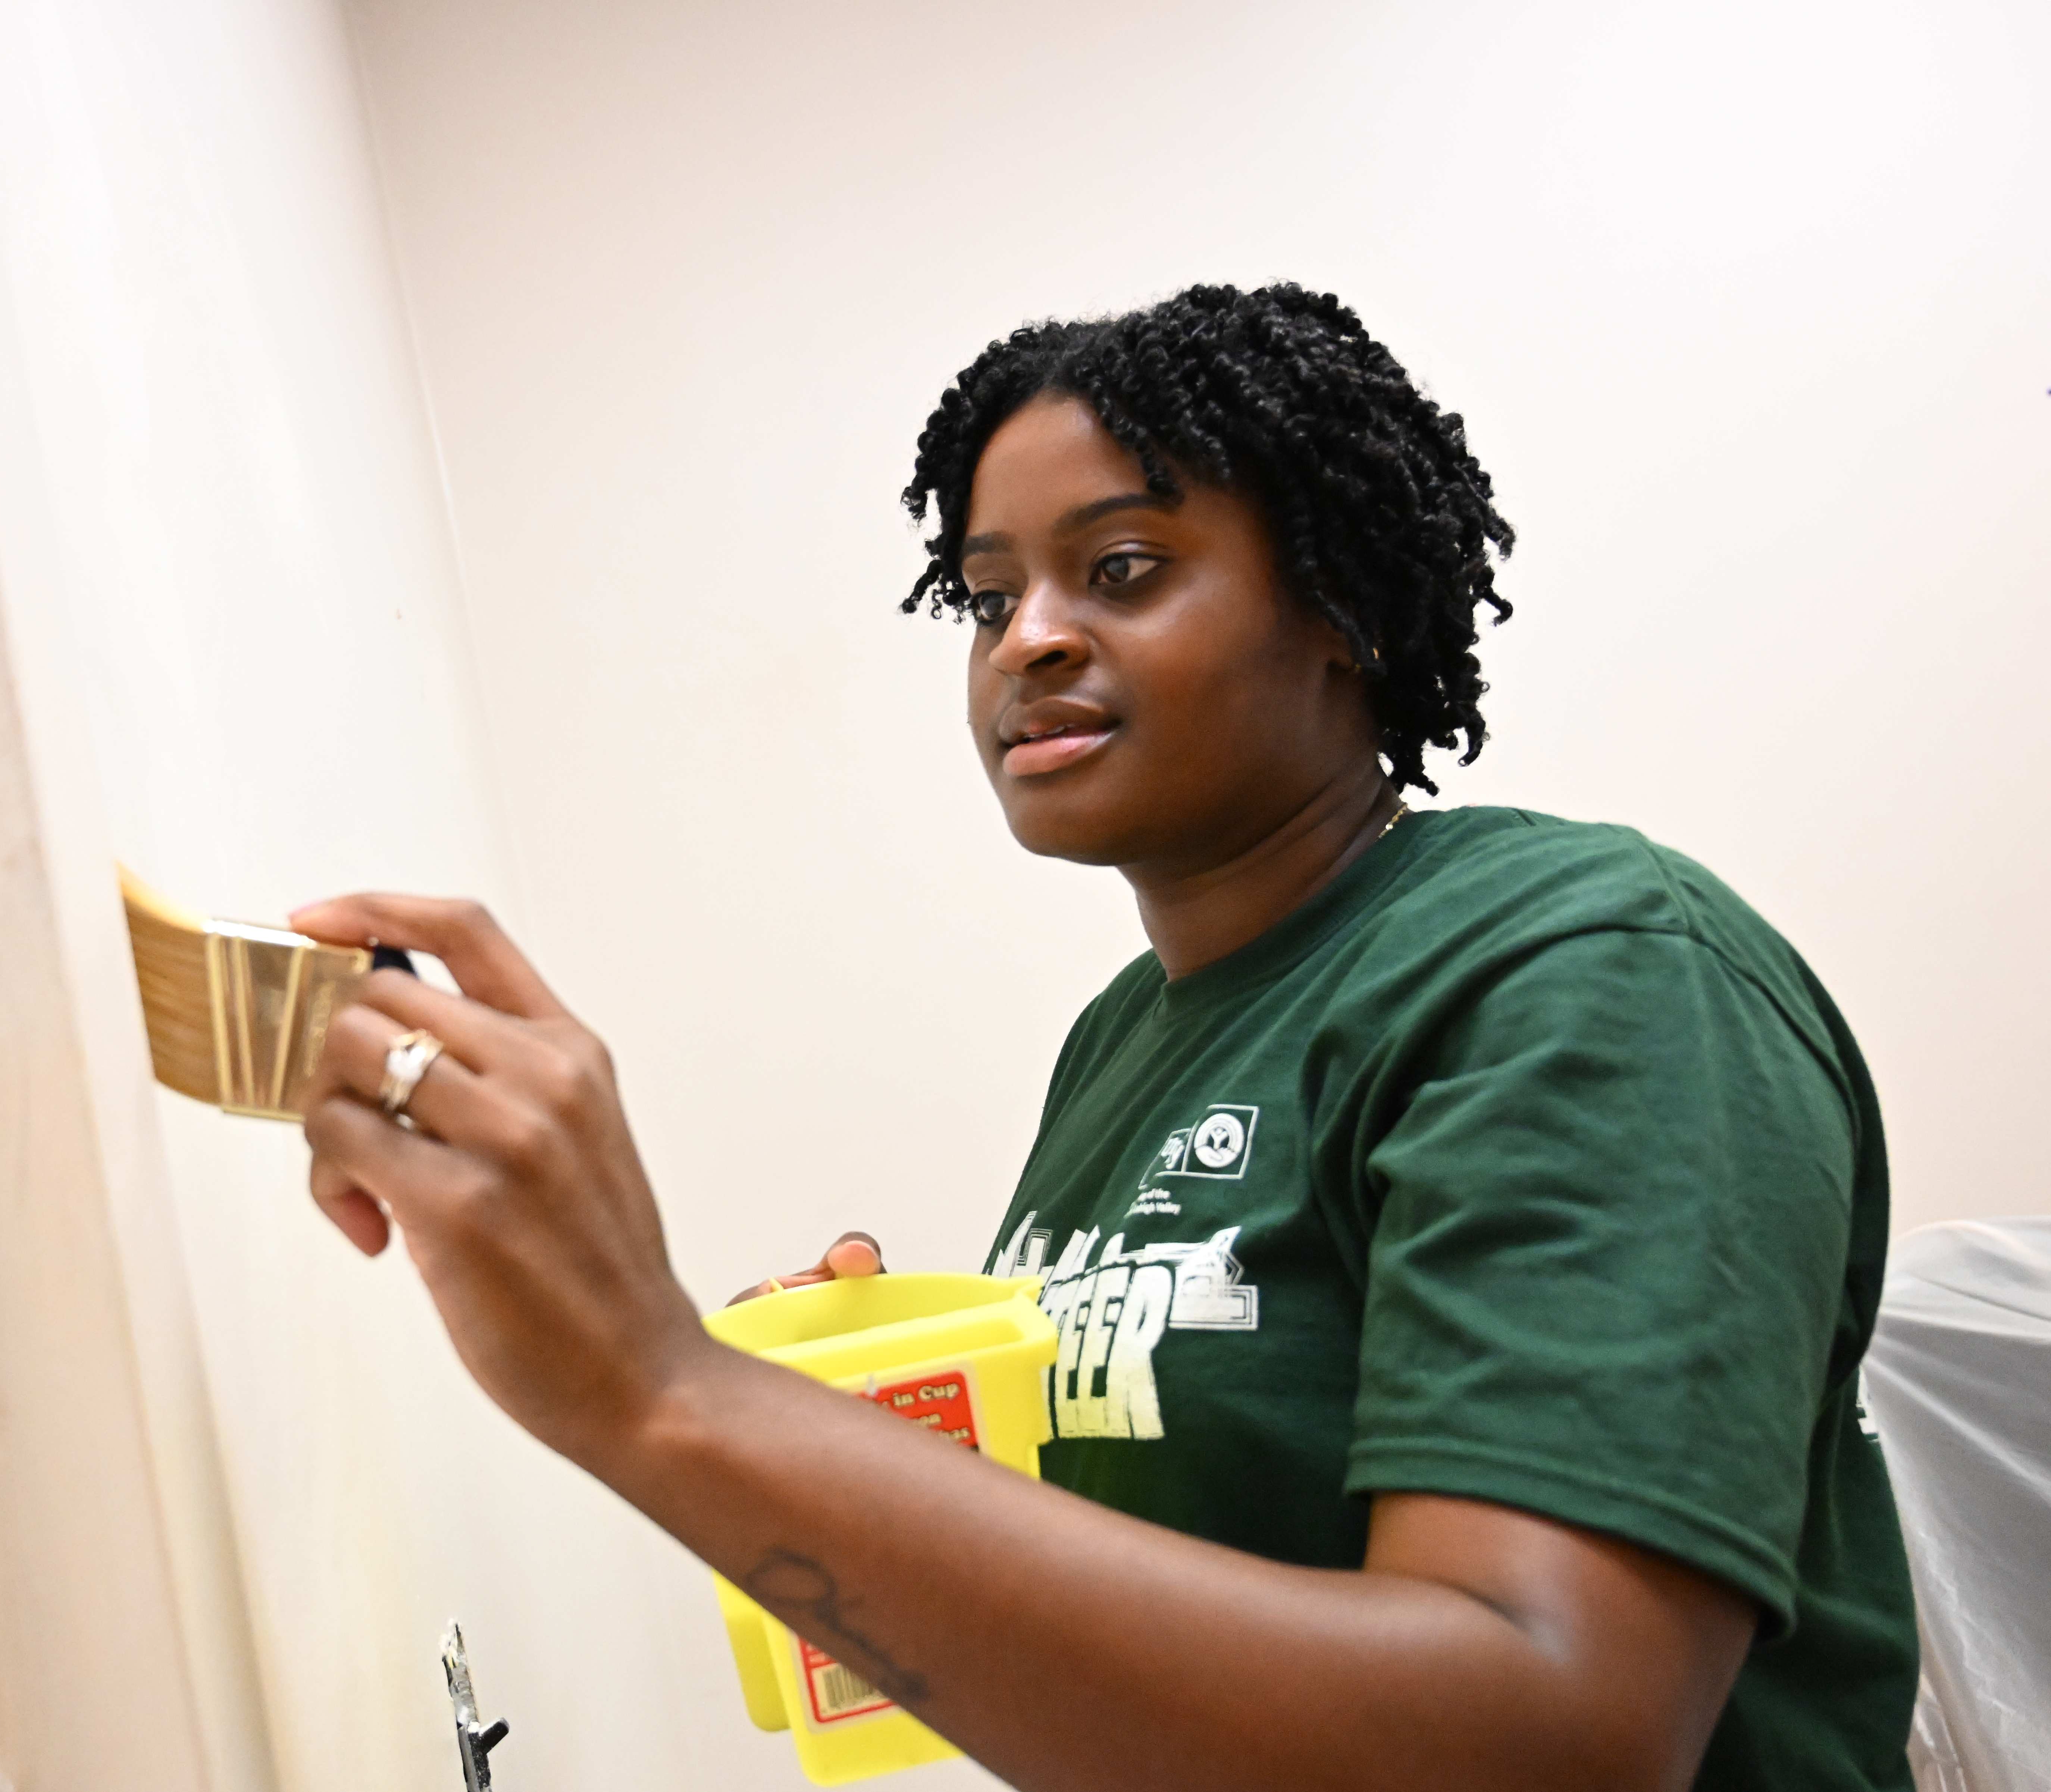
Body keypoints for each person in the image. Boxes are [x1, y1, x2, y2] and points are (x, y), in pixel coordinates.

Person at [292, 284, 1919, 1791]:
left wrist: (664, 1386)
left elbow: (1545, 1732)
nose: (1029, 639)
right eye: (988, 595)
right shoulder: (1121, 1044)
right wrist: (872, 1421)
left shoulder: (1583, 964)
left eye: (1121, 568)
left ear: (1340, 607)